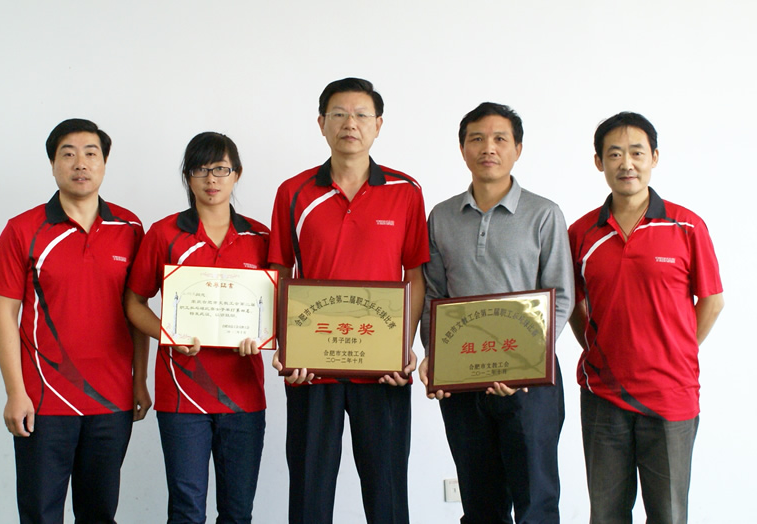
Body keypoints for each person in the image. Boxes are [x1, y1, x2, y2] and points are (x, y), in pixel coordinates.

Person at [269, 77, 428, 524]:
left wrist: (403, 348)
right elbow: (279, 274)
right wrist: (286, 345)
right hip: (311, 367)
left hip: (383, 369)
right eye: (338, 114)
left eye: (361, 115)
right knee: (309, 492)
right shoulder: (294, 192)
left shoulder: (405, 191)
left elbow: (415, 276)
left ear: (378, 125)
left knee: (387, 493)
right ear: (321, 123)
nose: (350, 124)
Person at [0, 118, 151, 524]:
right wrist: (15, 392)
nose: (81, 163)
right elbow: (4, 316)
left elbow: (136, 310)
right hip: (43, 401)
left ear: (104, 163)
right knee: (41, 514)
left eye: (91, 153)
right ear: (53, 164)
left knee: (99, 514)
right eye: (68, 154)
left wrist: (139, 380)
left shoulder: (130, 228)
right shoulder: (23, 229)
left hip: (111, 400)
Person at [419, 102, 574, 524]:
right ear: (463, 149)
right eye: (477, 139)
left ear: (517, 149)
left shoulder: (544, 214)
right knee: (480, 503)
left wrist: (526, 363)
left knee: (535, 503)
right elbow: (434, 295)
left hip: (530, 383)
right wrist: (436, 358)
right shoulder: (442, 216)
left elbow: (561, 296)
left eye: (500, 139)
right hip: (463, 379)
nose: (488, 147)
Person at [568, 112, 724, 524]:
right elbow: (572, 303)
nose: (627, 164)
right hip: (603, 394)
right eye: (614, 154)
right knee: (606, 514)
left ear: (654, 157)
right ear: (599, 162)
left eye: (637, 153)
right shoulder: (581, 233)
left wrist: (676, 350)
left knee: (668, 514)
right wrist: (598, 347)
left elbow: (712, 300)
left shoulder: (687, 226)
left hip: (671, 394)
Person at [125, 132, 269, 524]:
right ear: (187, 176)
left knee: (238, 511)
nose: (211, 179)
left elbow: (276, 310)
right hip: (182, 395)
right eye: (200, 170)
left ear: (237, 174)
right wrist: (168, 334)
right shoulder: (164, 234)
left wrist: (262, 337)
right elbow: (134, 303)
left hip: (243, 395)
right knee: (187, 510)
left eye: (220, 169)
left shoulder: (261, 238)